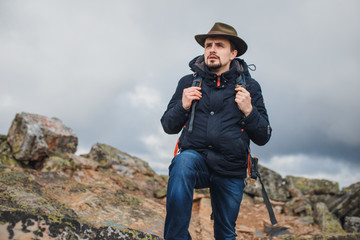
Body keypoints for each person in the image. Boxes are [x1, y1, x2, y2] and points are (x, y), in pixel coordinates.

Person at [160, 22, 272, 240]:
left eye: (219, 45)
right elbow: (168, 126)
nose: (212, 49)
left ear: (233, 53)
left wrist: (249, 111)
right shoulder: (188, 82)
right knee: (182, 164)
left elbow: (264, 135)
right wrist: (182, 105)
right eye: (208, 45)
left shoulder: (250, 87)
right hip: (196, 160)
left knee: (225, 233)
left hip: (231, 169)